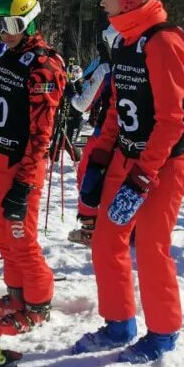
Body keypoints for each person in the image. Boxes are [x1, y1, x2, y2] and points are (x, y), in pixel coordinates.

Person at [73, 0, 184, 363]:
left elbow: (172, 121)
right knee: (107, 240)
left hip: (163, 162)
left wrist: (143, 176)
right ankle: (119, 323)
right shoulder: (126, 42)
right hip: (130, 157)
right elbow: (116, 107)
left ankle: (162, 332)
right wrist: (101, 154)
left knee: (150, 245)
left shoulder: (162, 42)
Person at [0, 0, 66, 336]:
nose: (3, 32)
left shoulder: (44, 64)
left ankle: (38, 304)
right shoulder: (9, 55)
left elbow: (41, 132)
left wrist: (26, 180)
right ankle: (16, 295)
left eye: (10, 23)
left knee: (21, 237)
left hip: (21, 164)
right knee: (1, 236)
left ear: (28, 22)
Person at [67, 26, 118, 246]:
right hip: (135, 135)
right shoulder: (146, 62)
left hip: (106, 131)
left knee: (87, 175)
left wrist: (69, 91)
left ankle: (90, 228)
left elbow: (81, 104)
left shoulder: (106, 68)